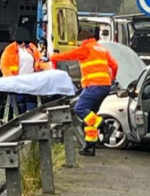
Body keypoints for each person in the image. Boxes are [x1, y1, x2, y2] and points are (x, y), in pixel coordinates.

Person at [50, 26, 119, 156]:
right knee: (90, 116)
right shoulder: (102, 49)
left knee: (80, 109)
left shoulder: (85, 48)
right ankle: (89, 146)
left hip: (93, 86)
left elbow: (69, 55)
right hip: (105, 86)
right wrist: (112, 78)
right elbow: (114, 65)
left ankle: (103, 125)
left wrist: (53, 58)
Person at [0, 26, 46, 112]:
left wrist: (43, 67)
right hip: (17, 82)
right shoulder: (10, 49)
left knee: (32, 106)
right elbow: (3, 65)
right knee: (20, 105)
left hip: (30, 82)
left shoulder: (31, 47)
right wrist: (10, 78)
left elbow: (39, 59)